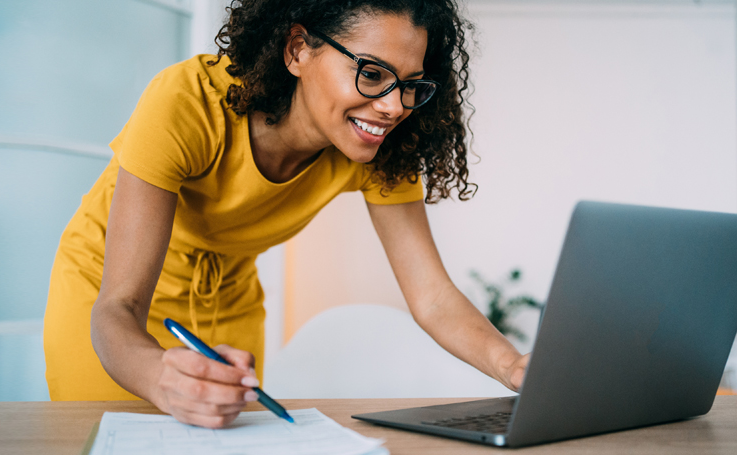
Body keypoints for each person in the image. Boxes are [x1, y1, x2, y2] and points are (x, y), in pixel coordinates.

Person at [44, 0, 529, 429]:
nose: (392, 106)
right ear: (298, 49)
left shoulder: (381, 152)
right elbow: (118, 307)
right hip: (110, 294)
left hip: (226, 299)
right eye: (373, 73)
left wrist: (514, 367)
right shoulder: (187, 102)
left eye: (410, 85)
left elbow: (433, 297)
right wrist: (156, 374)